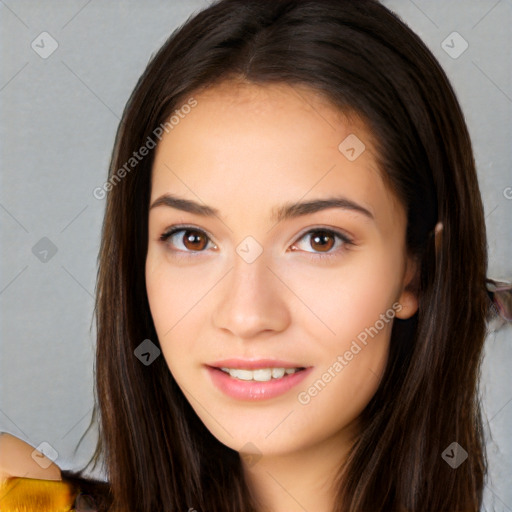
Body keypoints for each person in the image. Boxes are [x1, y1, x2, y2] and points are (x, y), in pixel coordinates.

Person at [1, 0, 511, 511]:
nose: (246, 315)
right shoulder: (23, 498)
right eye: (192, 238)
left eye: (319, 240)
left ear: (416, 271)